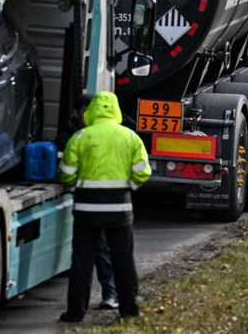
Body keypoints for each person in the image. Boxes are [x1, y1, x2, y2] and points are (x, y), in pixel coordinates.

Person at [58, 91, 151, 323]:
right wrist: (127, 186)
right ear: (116, 110)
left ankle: (76, 312)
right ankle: (129, 309)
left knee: (82, 261)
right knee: (123, 260)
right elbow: (143, 172)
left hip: (86, 209)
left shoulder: (80, 137)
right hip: (119, 210)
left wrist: (77, 184)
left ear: (91, 111)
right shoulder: (130, 137)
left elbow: (66, 174)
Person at [62, 92, 118, 311]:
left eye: (90, 112)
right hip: (94, 202)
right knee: (92, 254)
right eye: (83, 112)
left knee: (99, 251)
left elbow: (66, 170)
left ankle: (108, 294)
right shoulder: (71, 134)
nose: (87, 117)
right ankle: (107, 296)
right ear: (76, 113)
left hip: (91, 203)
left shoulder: (82, 137)